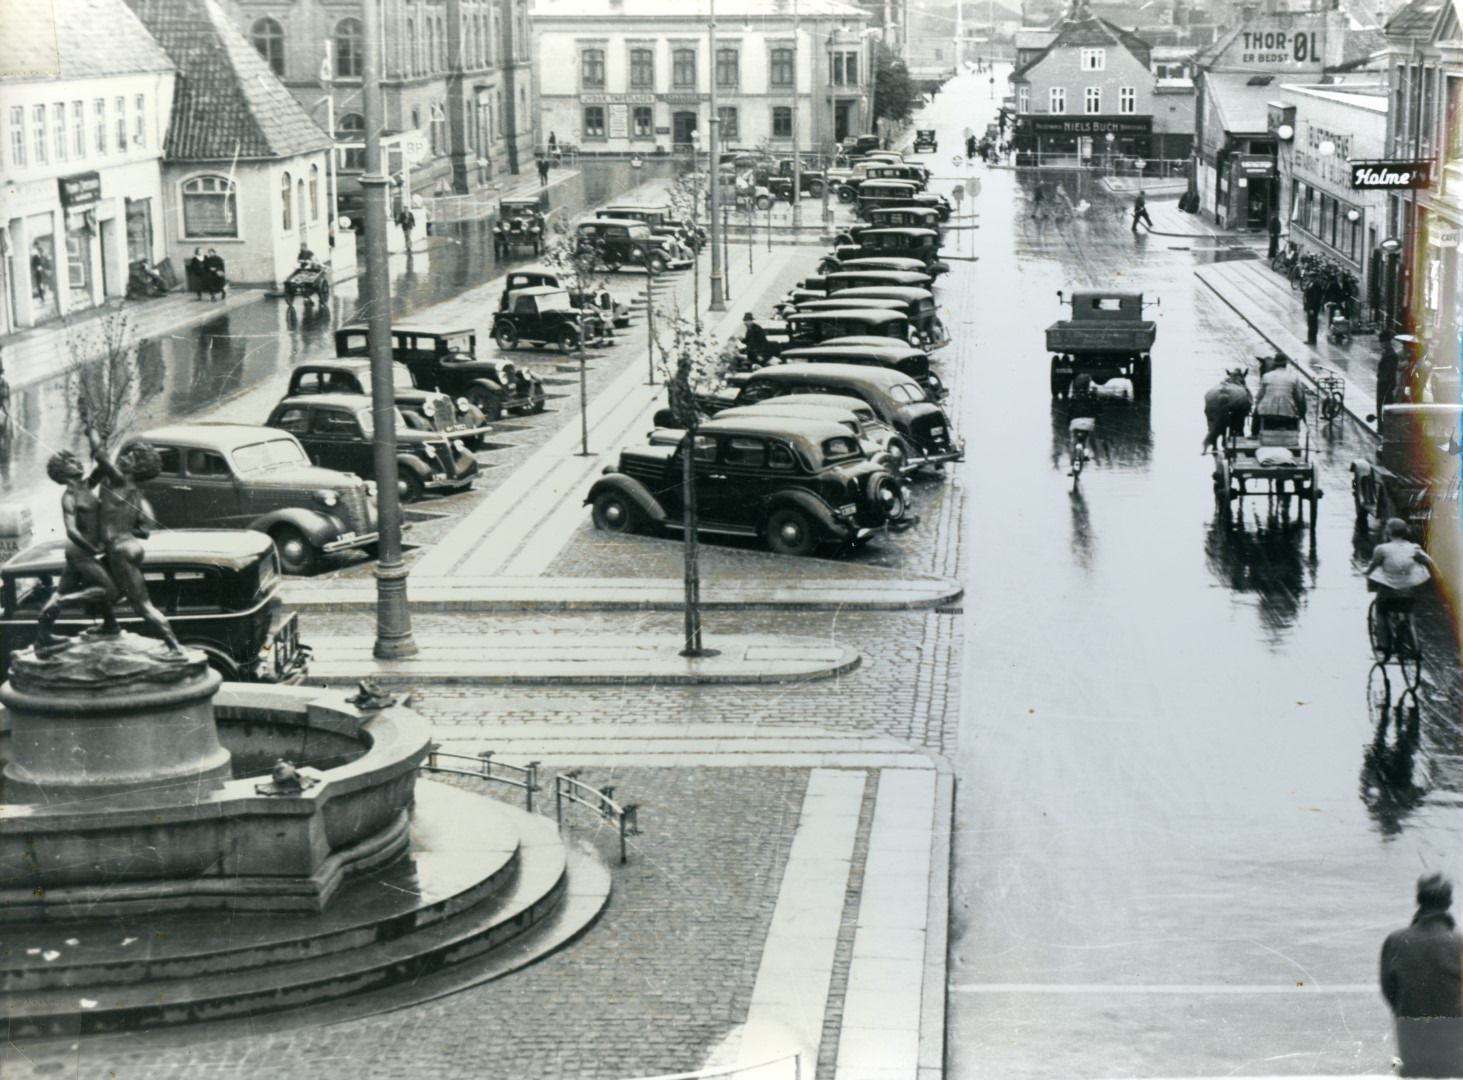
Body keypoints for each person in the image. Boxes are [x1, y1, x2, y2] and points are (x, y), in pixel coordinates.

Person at [89, 426, 182, 655]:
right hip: (125, 547)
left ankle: (175, 648)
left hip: (120, 550)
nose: (125, 457)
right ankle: (110, 624)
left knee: (142, 605)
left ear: (138, 468)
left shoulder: (121, 481)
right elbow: (144, 528)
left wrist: (91, 430)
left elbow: (100, 456)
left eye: (132, 457)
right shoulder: (134, 492)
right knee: (98, 584)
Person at [35, 448, 120, 652]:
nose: (79, 463)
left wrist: (99, 443)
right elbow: (72, 531)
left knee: (61, 590)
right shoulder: (69, 497)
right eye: (72, 461)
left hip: (82, 552)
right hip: (80, 552)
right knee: (109, 590)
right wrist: (93, 549)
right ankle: (65, 606)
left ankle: (44, 638)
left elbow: (102, 465)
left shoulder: (86, 485)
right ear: (62, 472)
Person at [1381, 872, 1463, 1077]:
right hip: (1454, 1043)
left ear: (1419, 900)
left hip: (1412, 1040)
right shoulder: (1459, 943)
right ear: (1449, 901)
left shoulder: (1396, 941)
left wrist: (1406, 1011)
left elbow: (1388, 990)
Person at [1253, 351, 1308, 432]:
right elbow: (1299, 398)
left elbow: (1259, 396)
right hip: (1288, 415)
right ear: (1286, 364)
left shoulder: (1266, 376)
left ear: (1275, 364)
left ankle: (1254, 433)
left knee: (1257, 409)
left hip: (1267, 414)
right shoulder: (1294, 378)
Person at [1067, 373, 1102, 475]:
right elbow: (1100, 409)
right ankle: (1086, 452)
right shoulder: (1092, 395)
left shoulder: (1074, 397)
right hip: (1089, 422)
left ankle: (1070, 467)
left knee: (1073, 441)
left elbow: (1070, 412)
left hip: (1076, 422)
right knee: (1088, 434)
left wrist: (1068, 421)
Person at [1376, 330, 1400, 418]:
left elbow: (1390, 372)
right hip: (1383, 385)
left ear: (1386, 342)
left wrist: (1381, 380)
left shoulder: (1391, 355)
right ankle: (1381, 427)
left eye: (1381, 342)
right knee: (1380, 407)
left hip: (1385, 386)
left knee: (1384, 407)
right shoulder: (1386, 353)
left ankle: (1383, 428)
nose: (1380, 344)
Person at [1302, 273, 1325, 345]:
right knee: (1310, 323)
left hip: (1313, 308)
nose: (1309, 278)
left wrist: (1312, 308)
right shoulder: (1310, 284)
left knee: (1312, 323)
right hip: (1309, 306)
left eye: (1310, 277)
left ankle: (1312, 339)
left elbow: (1316, 298)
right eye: (1309, 277)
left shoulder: (1316, 286)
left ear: (1314, 278)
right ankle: (1310, 338)